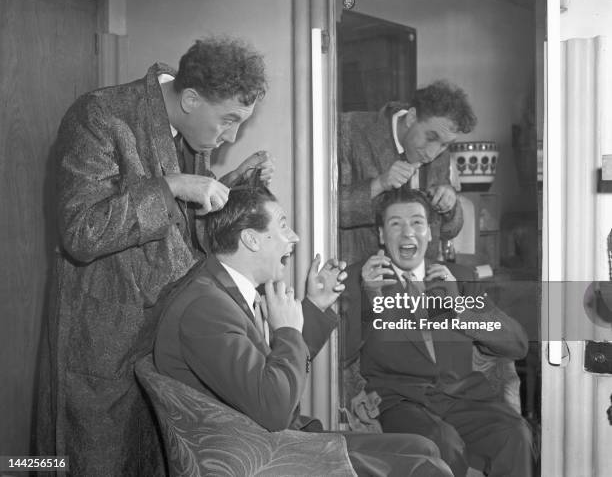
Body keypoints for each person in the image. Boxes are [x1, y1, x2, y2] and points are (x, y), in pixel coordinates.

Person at [36, 36, 273, 476]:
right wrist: (172, 187)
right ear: (190, 99)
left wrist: (228, 186)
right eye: (228, 121)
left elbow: (177, 232)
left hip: (156, 342)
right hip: (101, 341)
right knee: (87, 461)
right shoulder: (100, 115)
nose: (232, 135)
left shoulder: (187, 133)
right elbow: (81, 232)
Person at [154, 183, 453, 477]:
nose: (294, 238)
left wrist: (314, 305)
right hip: (265, 456)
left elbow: (274, 371)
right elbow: (274, 408)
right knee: (425, 467)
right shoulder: (207, 308)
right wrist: (287, 332)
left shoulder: (222, 290)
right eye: (283, 227)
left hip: (275, 439)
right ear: (251, 240)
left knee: (423, 447)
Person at [347, 187, 533, 477]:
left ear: (431, 233)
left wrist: (460, 308)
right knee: (442, 443)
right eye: (396, 224)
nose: (408, 233)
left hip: (464, 397)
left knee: (516, 434)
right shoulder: (360, 279)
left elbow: (517, 344)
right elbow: (341, 354)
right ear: (382, 235)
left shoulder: (459, 278)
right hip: (402, 401)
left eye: (417, 223)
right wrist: (370, 300)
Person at [339, 80, 477, 265]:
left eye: (445, 144)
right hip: (357, 280)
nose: (432, 153)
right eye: (430, 138)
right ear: (412, 117)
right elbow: (323, 213)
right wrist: (378, 184)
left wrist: (450, 206)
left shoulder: (439, 152)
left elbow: (448, 231)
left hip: (419, 285)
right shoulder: (349, 130)